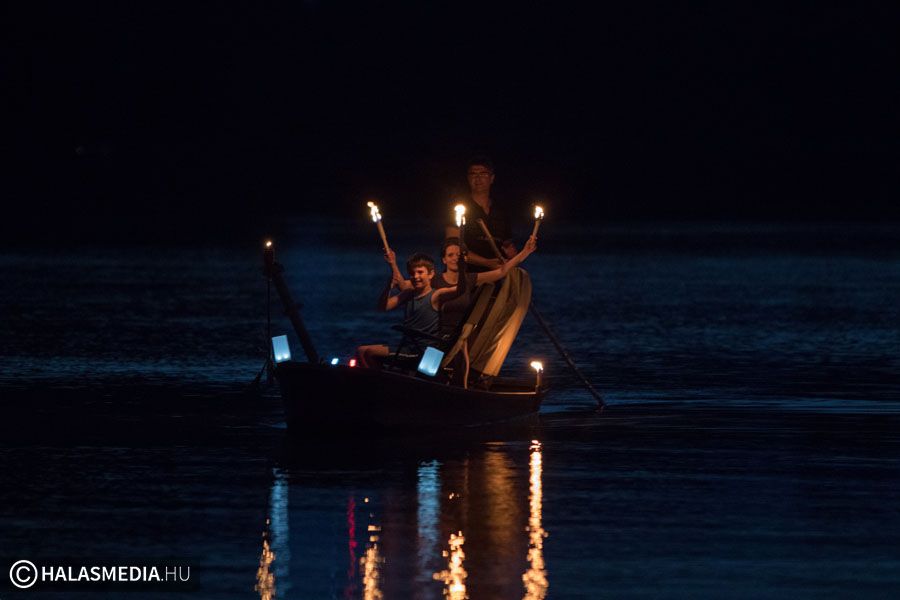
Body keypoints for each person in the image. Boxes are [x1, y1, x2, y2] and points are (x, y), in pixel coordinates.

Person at [355, 252, 440, 369]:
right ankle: (378, 377)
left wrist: (461, 269)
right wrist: (388, 287)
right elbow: (383, 307)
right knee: (360, 350)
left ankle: (380, 378)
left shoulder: (437, 295)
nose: (415, 276)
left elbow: (458, 290)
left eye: (420, 272)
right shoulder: (409, 293)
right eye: (412, 273)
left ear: (431, 274)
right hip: (408, 346)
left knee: (370, 352)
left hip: (421, 351)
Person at [445, 156, 518, 272]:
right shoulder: (458, 208)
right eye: (473, 174)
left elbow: (507, 245)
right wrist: (486, 262)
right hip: (466, 274)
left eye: (483, 174)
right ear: (468, 178)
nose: (478, 178)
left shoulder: (501, 211)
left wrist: (513, 255)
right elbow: (452, 247)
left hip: (497, 274)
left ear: (492, 178)